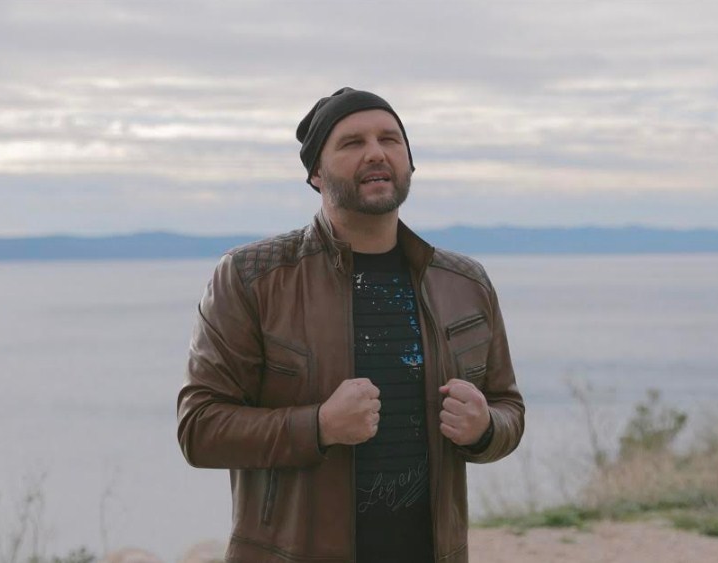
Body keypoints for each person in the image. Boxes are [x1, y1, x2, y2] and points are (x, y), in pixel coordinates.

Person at [177, 87, 525, 563]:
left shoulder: (463, 283)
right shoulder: (252, 277)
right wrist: (318, 425)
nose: (376, 152)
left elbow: (508, 407)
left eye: (390, 139)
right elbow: (199, 428)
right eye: (352, 142)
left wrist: (485, 427)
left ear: (409, 163)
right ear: (316, 174)